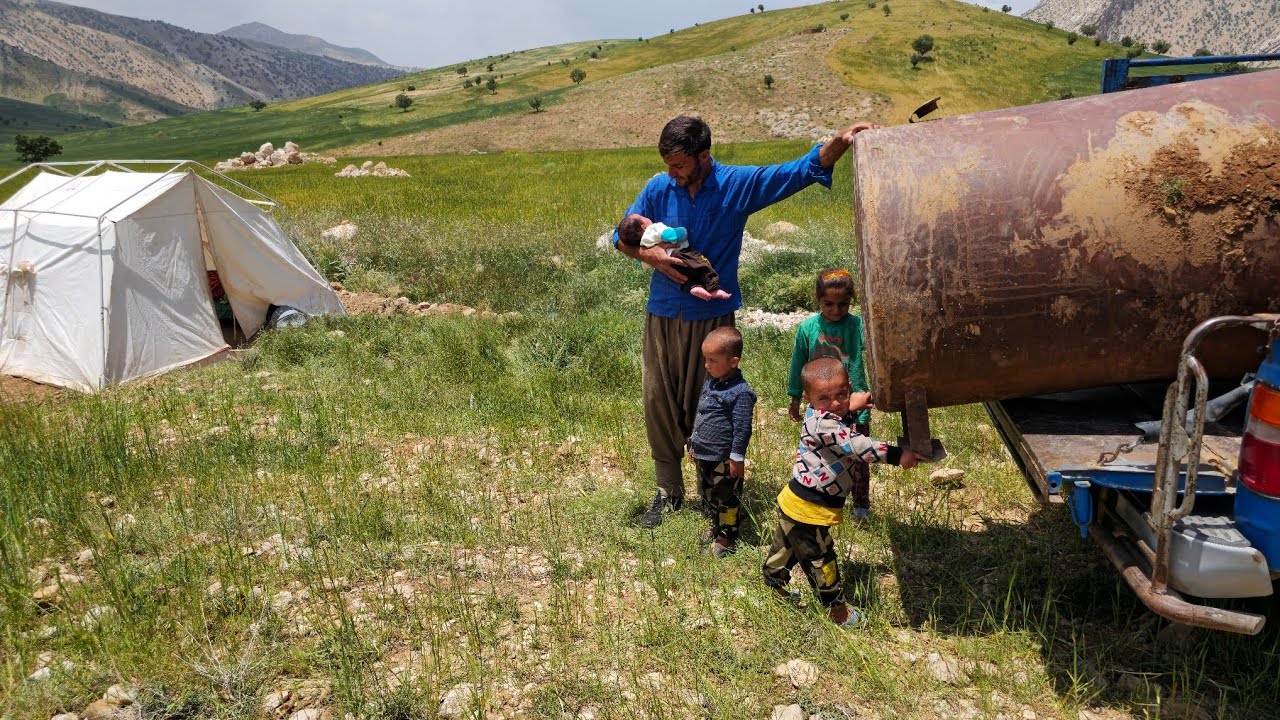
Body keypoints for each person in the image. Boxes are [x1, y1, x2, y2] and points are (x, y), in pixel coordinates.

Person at [614, 114, 878, 528]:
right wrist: (651, 256)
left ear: (704, 156)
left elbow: (794, 173)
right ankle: (667, 492)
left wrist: (840, 142)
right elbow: (621, 237)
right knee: (659, 403)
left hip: (713, 321)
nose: (673, 174)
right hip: (662, 314)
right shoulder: (657, 187)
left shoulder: (736, 185)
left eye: (680, 165)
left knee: (711, 406)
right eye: (668, 164)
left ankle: (714, 492)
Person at [763, 357, 924, 626]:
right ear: (808, 398)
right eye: (824, 397)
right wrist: (898, 455)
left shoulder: (818, 415)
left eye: (842, 394)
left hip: (794, 501)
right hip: (810, 508)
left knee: (785, 549)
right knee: (822, 561)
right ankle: (837, 612)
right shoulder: (824, 425)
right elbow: (856, 445)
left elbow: (835, 418)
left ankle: (773, 586)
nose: (835, 403)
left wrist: (851, 406)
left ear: (849, 387)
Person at [786, 267, 874, 519]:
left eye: (843, 304)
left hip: (853, 405)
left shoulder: (857, 325)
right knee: (821, 456)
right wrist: (794, 396)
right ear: (818, 299)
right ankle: (824, 499)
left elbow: (876, 350)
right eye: (828, 304)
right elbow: (797, 363)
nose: (836, 310)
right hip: (821, 409)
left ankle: (861, 505)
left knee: (858, 456)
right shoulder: (807, 328)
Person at [688, 326, 756, 557]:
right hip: (704, 454)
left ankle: (726, 535)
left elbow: (742, 428)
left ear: (733, 361)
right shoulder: (712, 381)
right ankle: (716, 524)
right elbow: (703, 413)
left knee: (728, 497)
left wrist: (737, 457)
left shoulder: (741, 392)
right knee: (709, 493)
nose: (707, 365)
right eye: (705, 359)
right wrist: (695, 444)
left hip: (724, 458)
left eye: (712, 360)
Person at [617, 213, 731, 301]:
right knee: (702, 264)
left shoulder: (641, 245)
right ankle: (713, 287)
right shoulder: (653, 229)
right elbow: (669, 234)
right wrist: (683, 231)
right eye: (643, 217)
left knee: (690, 274)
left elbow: (641, 262)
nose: (646, 216)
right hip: (679, 253)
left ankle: (696, 287)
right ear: (643, 226)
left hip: (669, 267)